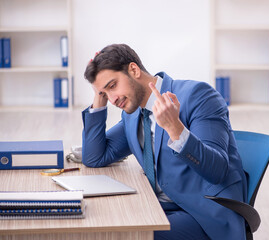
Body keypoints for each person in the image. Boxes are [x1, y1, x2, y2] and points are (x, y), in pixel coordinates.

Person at [82, 43, 247, 240]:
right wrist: (98, 100)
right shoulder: (133, 115)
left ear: (133, 70)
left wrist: (175, 128)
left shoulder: (198, 95)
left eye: (112, 86)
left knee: (125, 235)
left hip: (203, 216)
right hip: (157, 207)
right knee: (99, 224)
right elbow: (95, 156)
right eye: (105, 93)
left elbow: (216, 170)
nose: (113, 99)